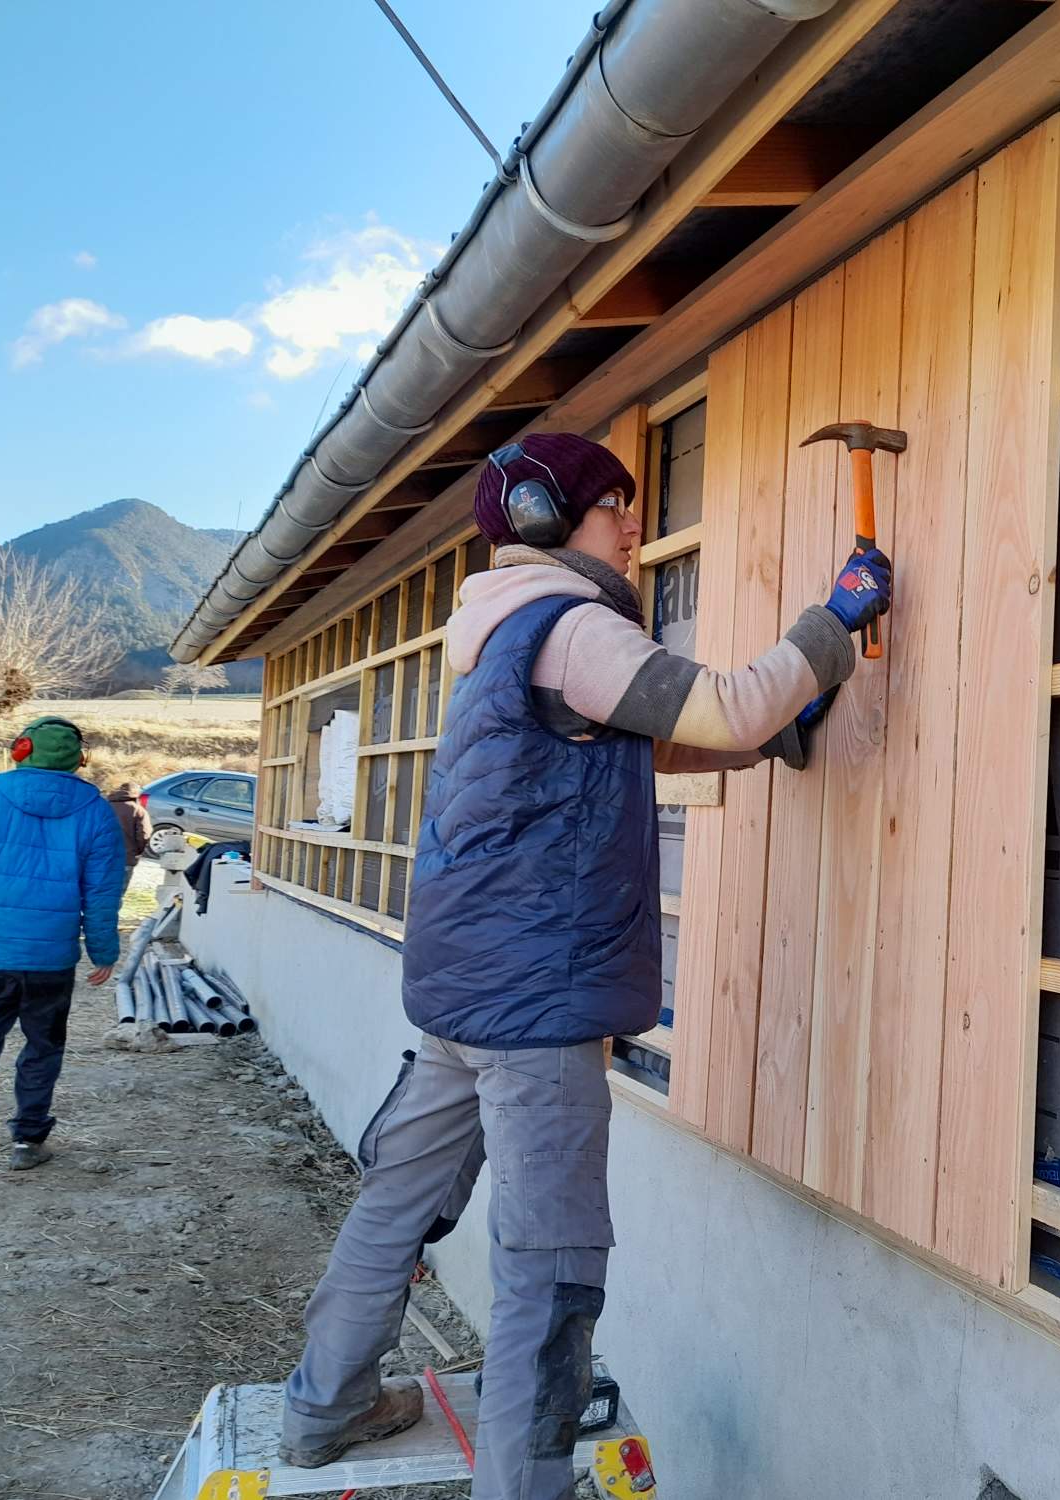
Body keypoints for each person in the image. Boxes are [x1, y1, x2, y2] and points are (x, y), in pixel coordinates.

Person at [279, 432, 891, 1495]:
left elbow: (670, 737)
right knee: (549, 1266)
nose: (634, 521)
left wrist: (775, 723)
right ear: (540, 520)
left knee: (398, 1199)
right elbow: (725, 705)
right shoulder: (573, 625)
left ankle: (322, 1409)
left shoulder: (499, 634)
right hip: (538, 1007)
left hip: (463, 993)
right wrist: (830, 624)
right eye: (615, 502)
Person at [0, 716, 125, 1190]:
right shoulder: (97, 809)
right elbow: (102, 893)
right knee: (43, 1047)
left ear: (21, 750)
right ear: (79, 759)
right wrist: (103, 950)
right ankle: (28, 1141)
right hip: (52, 960)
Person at [106, 781, 151, 888]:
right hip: (126, 858)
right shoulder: (139, 811)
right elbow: (144, 835)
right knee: (119, 894)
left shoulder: (105, 807)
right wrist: (137, 852)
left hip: (103, 857)